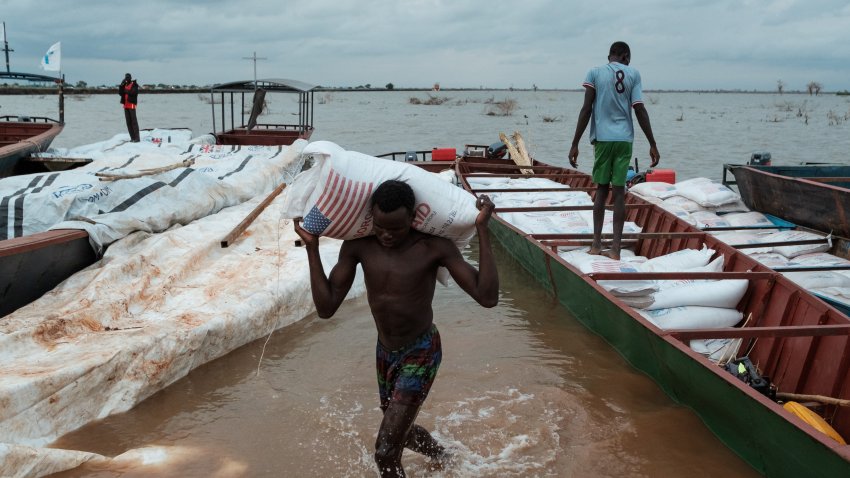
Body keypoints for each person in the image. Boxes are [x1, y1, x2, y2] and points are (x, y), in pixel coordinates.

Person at [294, 180, 499, 477]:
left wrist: (482, 230)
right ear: (371, 218)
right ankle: (444, 456)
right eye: (380, 227)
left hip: (422, 351)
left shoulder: (433, 248)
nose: (387, 235)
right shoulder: (358, 247)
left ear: (414, 218)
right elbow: (326, 308)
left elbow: (487, 297)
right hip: (385, 353)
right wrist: (311, 248)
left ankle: (440, 456)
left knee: (385, 451)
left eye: (396, 229)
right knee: (401, 429)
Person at [569, 41, 660, 260]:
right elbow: (639, 108)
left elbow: (586, 109)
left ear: (610, 56)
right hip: (624, 140)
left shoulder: (594, 73)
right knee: (619, 192)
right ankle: (616, 249)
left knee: (601, 191)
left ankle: (596, 244)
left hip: (602, 140)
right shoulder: (633, 74)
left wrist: (575, 143)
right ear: (626, 57)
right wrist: (652, 143)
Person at [119, 73, 140, 142]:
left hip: (131, 105)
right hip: (125, 105)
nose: (127, 79)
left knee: (134, 122)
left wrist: (125, 90)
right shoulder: (125, 85)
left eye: (128, 77)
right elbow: (120, 93)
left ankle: (137, 138)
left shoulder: (134, 85)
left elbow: (133, 92)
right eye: (126, 77)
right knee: (128, 122)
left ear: (130, 78)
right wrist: (121, 85)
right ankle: (132, 138)